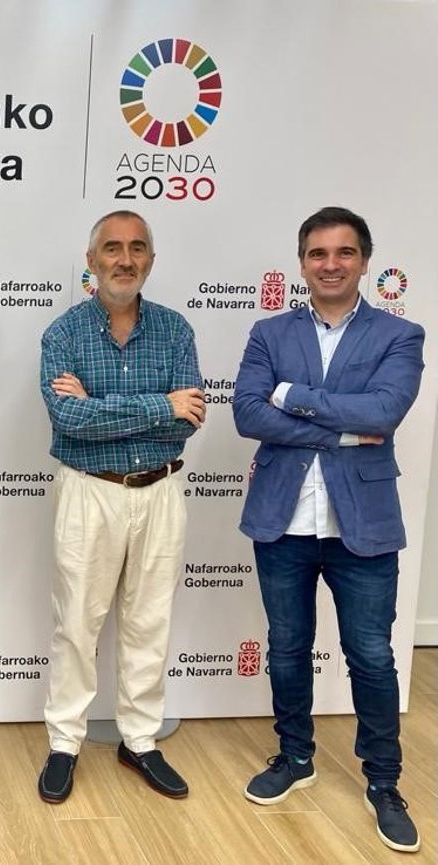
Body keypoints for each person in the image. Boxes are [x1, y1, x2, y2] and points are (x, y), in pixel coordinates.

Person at [233, 207, 424, 854]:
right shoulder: (269, 332)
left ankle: (384, 782)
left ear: (365, 261)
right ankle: (295, 756)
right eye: (318, 253)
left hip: (362, 524)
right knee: (287, 647)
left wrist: (293, 396)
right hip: (282, 519)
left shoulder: (400, 334)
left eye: (344, 252)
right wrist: (341, 431)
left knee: (371, 655)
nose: (331, 264)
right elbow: (248, 413)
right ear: (302, 263)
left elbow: (385, 411)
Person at [37, 210, 204, 804]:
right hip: (90, 491)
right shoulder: (63, 333)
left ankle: (140, 740)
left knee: (149, 621)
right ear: (92, 260)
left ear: (150, 261)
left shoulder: (175, 330)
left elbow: (188, 422)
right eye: (112, 248)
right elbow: (69, 420)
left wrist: (103, 405)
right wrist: (161, 404)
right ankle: (64, 743)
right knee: (76, 625)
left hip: (160, 491)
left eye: (137, 248)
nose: (125, 259)